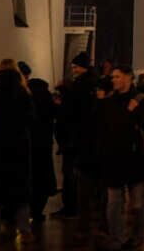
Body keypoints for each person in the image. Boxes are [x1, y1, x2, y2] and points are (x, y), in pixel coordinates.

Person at [87, 66, 144, 251]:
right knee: (113, 202)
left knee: (136, 204)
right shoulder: (109, 101)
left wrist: (136, 112)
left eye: (118, 77)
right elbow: (99, 125)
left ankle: (136, 236)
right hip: (114, 159)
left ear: (129, 78)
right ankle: (116, 237)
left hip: (135, 158)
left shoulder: (141, 100)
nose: (114, 80)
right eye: (113, 77)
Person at [0, 58, 34, 239]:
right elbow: (30, 119)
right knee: (20, 191)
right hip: (19, 146)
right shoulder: (23, 92)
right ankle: (24, 230)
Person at [56, 54, 95, 219]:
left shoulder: (80, 86)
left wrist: (63, 94)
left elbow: (73, 110)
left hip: (74, 138)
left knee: (71, 173)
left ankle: (72, 207)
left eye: (75, 67)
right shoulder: (89, 84)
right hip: (82, 138)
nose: (73, 70)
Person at [26, 77, 58, 226]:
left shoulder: (29, 101)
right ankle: (38, 211)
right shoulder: (48, 101)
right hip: (44, 145)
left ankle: (29, 210)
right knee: (43, 178)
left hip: (30, 145)